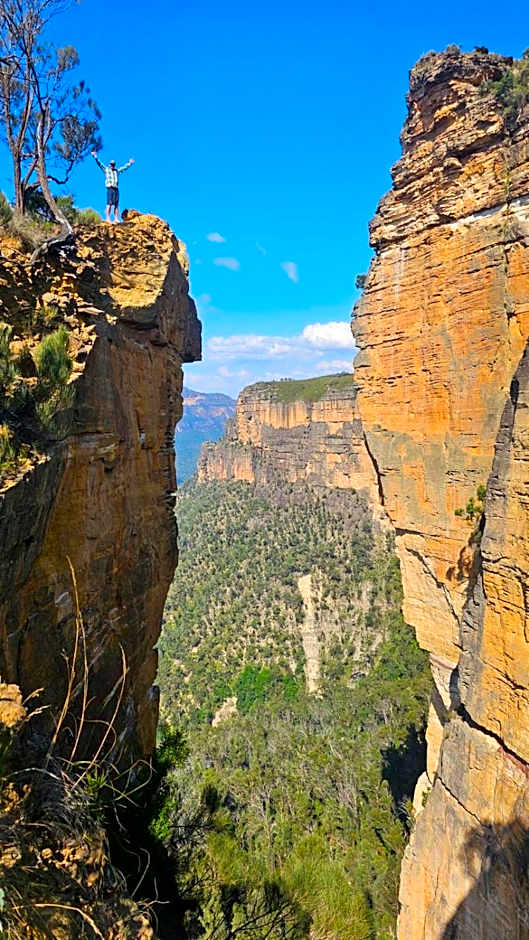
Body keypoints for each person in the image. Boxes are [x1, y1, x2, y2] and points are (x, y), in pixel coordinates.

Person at [91, 152, 134, 223]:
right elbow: (99, 164)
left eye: (113, 164)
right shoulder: (106, 170)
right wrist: (95, 156)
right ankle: (108, 218)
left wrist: (129, 163)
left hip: (116, 188)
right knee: (109, 203)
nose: (112, 165)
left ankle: (116, 219)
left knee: (116, 204)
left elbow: (124, 168)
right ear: (109, 165)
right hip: (110, 188)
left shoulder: (116, 171)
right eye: (111, 164)